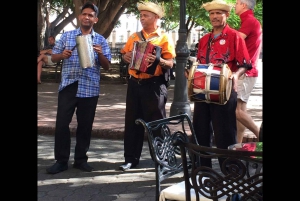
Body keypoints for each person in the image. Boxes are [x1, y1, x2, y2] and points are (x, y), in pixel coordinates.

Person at [46, 2, 111, 174]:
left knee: (85, 125)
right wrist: (62, 54)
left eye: (90, 15)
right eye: (84, 14)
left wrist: (100, 54)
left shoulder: (100, 40)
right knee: (61, 124)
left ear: (95, 19)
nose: (87, 17)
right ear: (79, 17)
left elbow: (107, 66)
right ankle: (61, 160)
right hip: (69, 85)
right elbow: (53, 58)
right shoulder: (67, 36)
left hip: (90, 88)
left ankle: (81, 160)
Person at [187, 0, 252, 169]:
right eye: (212, 13)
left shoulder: (235, 36)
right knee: (200, 131)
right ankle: (203, 169)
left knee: (225, 133)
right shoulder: (204, 39)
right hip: (202, 91)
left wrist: (236, 76)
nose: (214, 16)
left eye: (218, 13)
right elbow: (199, 64)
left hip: (225, 90)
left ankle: (230, 170)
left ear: (227, 15)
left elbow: (245, 63)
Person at [119, 1, 176, 171]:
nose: (142, 18)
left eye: (146, 15)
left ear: (156, 18)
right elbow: (124, 54)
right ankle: (130, 159)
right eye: (141, 16)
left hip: (154, 85)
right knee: (132, 122)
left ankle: (163, 160)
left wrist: (158, 60)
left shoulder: (164, 37)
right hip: (135, 84)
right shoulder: (134, 37)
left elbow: (171, 63)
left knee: (157, 123)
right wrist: (126, 57)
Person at [234, 0, 262, 143]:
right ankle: (238, 145)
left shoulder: (249, 21)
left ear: (244, 5)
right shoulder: (250, 21)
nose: (234, 5)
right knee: (241, 110)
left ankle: (260, 136)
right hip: (248, 71)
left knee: (237, 111)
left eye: (237, 3)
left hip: (246, 72)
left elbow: (235, 42)